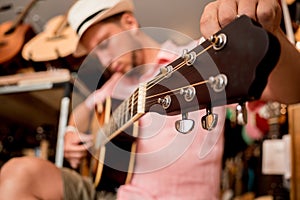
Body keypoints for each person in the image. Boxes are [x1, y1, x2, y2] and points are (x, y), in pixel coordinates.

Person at [0, 0, 299, 200]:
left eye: (104, 44)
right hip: (113, 193)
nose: (104, 59)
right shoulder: (110, 89)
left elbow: (292, 91)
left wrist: (272, 38)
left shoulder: (194, 60)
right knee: (18, 172)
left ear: (129, 23)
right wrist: (72, 139)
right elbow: (82, 117)